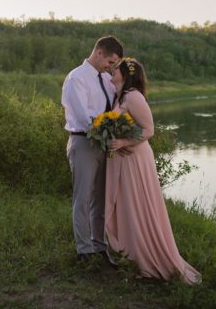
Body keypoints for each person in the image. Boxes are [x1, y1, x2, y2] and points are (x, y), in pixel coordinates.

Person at [105, 57, 201, 284]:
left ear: (125, 74)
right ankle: (129, 253)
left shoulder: (133, 96)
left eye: (116, 69)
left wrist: (123, 142)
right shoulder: (119, 96)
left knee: (137, 204)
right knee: (126, 205)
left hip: (134, 159)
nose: (112, 71)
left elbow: (149, 130)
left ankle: (147, 258)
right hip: (122, 158)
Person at [61, 36, 123, 262]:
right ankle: (84, 250)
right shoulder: (76, 78)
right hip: (84, 142)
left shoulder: (106, 79)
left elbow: (117, 106)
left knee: (101, 198)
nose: (110, 67)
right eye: (110, 62)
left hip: (105, 144)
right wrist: (108, 130)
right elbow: (83, 117)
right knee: (83, 197)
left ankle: (99, 245)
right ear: (99, 53)